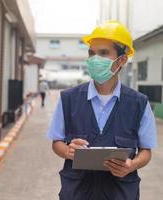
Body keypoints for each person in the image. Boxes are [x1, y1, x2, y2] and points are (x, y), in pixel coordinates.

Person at [47, 20, 157, 200]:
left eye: (103, 53)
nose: (94, 59)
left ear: (122, 60)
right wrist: (67, 151)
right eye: (91, 53)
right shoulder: (68, 99)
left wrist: (132, 165)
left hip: (120, 194)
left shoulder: (139, 104)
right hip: (77, 193)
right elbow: (56, 141)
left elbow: (146, 151)